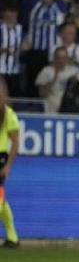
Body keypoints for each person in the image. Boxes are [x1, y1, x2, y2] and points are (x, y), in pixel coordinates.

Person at [0, 76, 20, 248]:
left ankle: (13, 237)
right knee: (1, 200)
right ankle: (12, 237)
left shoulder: (9, 115)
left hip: (0, 159)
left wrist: (8, 165)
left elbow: (15, 142)